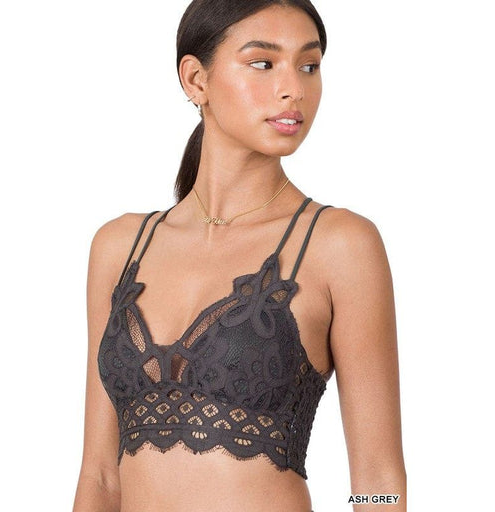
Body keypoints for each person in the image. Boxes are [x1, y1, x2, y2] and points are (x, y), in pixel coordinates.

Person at [73, 1, 406, 510]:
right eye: (263, 63)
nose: (294, 88)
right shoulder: (120, 247)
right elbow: (99, 476)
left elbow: (378, 476)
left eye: (309, 66)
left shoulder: (339, 244)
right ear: (196, 80)